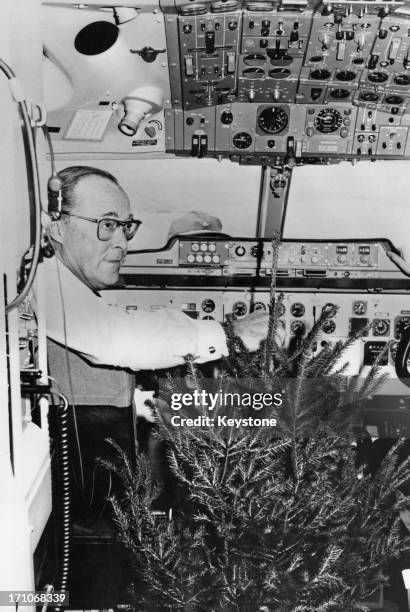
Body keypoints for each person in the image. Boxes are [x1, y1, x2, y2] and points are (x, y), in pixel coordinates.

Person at [40, 165, 268, 525]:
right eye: (107, 225)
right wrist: (228, 334)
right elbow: (118, 337)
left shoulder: (61, 282)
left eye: (125, 227)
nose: (122, 242)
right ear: (56, 226)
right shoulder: (39, 282)